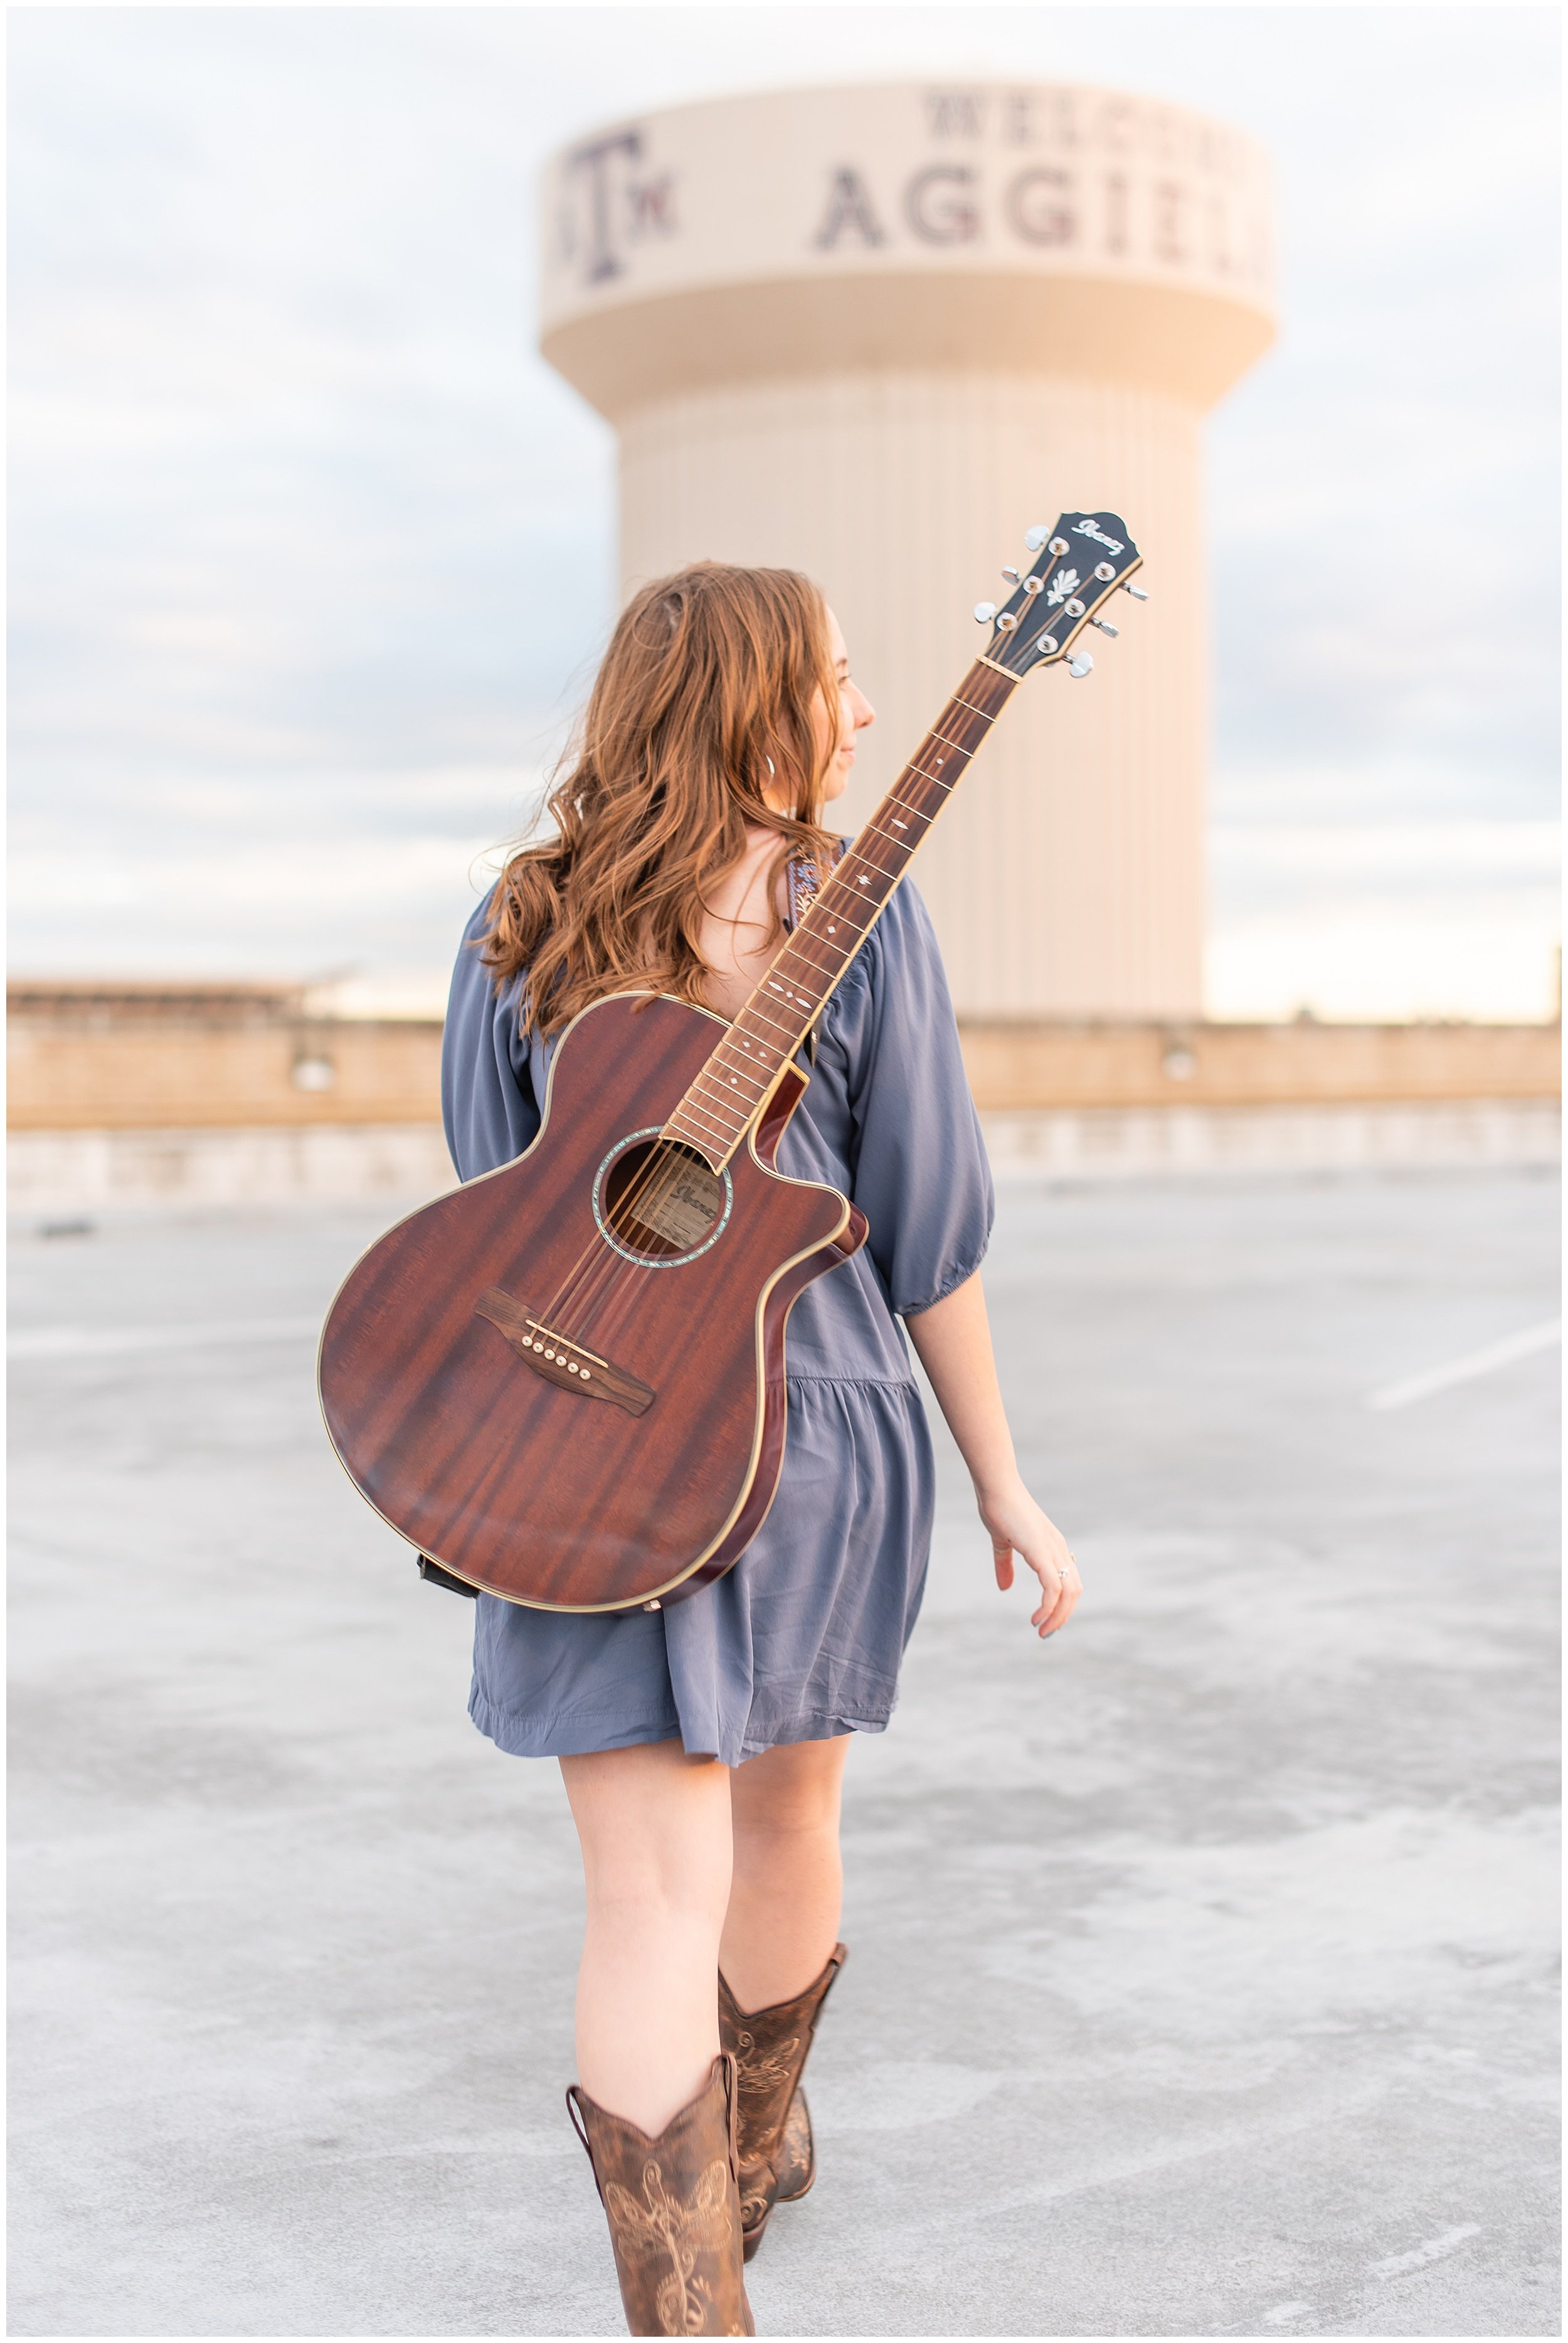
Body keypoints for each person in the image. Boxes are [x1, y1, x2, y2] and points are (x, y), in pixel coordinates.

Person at [440, 562, 1081, 2335]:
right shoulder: (855, 915)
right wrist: (1000, 1478)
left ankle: (687, 2301)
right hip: (811, 1439)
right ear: (753, 702)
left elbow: (483, 1199)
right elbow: (923, 1226)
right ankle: (755, 2148)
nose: (864, 714)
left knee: (645, 1895)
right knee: (789, 1821)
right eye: (840, 679)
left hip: (572, 1441)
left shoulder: (525, 917)